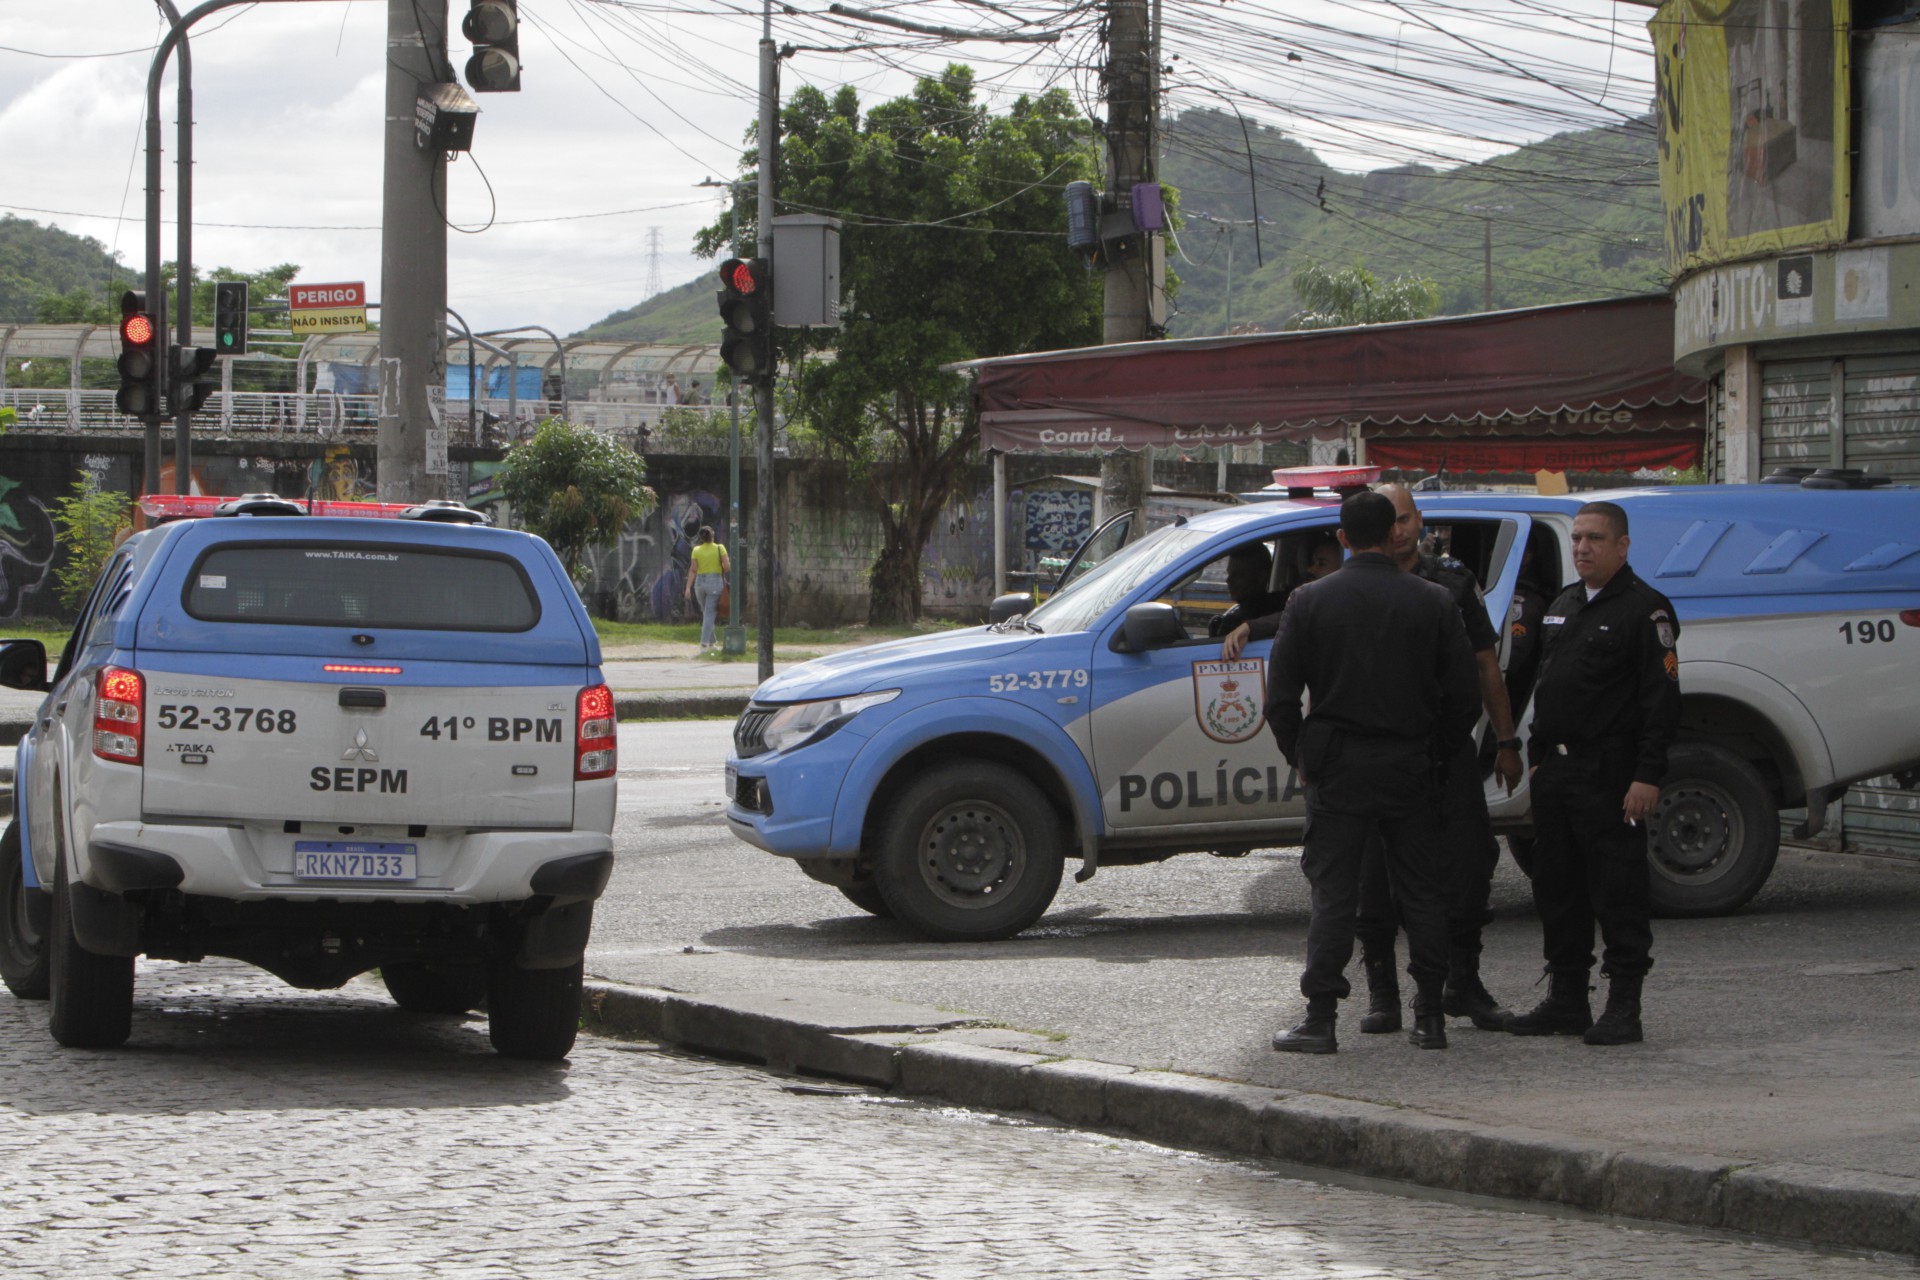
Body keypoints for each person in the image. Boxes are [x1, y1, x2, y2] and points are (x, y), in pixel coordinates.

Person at [1266, 491, 1480, 1054]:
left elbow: (1280, 700)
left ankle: (1320, 1017)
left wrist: (1303, 758)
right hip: (1410, 762)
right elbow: (1465, 696)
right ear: (1393, 535)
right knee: (1422, 891)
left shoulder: (1309, 602)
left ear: (1341, 539)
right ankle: (1429, 1014)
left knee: (1335, 892)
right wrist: (1436, 754)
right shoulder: (1433, 601)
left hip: (1337, 766)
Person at [1349, 486, 1525, 1035]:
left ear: (1419, 521)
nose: (1398, 530)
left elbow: (1485, 666)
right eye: (1390, 521)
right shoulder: (1352, 589)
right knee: (1373, 881)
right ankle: (1383, 993)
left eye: (1405, 519)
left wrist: (1507, 740)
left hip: (1447, 754)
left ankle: (1462, 982)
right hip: (1384, 758)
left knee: (1471, 868)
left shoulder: (1451, 583)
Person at [1506, 500, 1679, 1045]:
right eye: (1577, 538)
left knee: (1618, 892)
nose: (1582, 547)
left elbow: (1661, 701)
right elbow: (1546, 684)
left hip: (1611, 774)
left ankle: (1624, 1005)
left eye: (1595, 539)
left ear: (1622, 546)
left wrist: (1648, 775)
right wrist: (1534, 756)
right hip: (1558, 773)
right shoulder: (1563, 603)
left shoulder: (1645, 610)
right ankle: (1566, 999)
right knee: (1556, 889)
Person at [1218, 532, 1340, 661]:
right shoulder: (1286, 599)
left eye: (1322, 564)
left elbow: (1299, 613)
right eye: (1313, 562)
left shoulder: (1335, 602)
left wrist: (1250, 628)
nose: (1310, 569)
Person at [1208, 542, 1290, 640]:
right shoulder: (1239, 612)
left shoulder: (1280, 612)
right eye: (1229, 573)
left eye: (1238, 575)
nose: (1228, 580)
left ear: (1261, 577)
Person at [685, 526, 730, 651]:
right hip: (714, 582)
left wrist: (688, 587)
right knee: (710, 613)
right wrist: (721, 567)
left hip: (699, 583)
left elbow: (693, 569)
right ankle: (704, 644)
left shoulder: (696, 550)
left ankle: (712, 642)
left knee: (706, 613)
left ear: (701, 537)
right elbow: (726, 566)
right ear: (712, 535)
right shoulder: (720, 548)